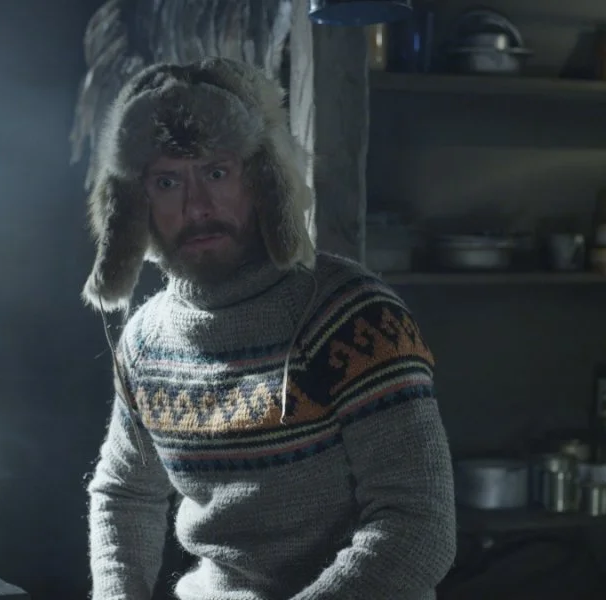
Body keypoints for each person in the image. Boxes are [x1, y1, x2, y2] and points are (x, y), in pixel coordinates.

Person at [82, 57, 456, 600]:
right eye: (167, 181)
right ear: (137, 202)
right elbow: (124, 494)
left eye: (217, 172)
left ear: (261, 179)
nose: (198, 206)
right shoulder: (145, 342)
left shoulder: (355, 316)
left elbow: (418, 525)